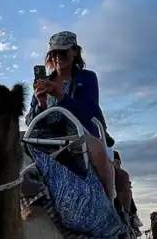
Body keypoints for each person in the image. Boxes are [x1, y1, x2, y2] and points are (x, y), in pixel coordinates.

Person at [30, 30, 115, 198]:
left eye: (63, 52)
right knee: (12, 142)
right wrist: (41, 103)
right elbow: (30, 120)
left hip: (78, 133)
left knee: (97, 150)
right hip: (47, 137)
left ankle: (109, 205)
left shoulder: (88, 78)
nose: (57, 57)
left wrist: (60, 96)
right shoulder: (44, 82)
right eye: (54, 53)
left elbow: (90, 113)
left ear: (75, 52)